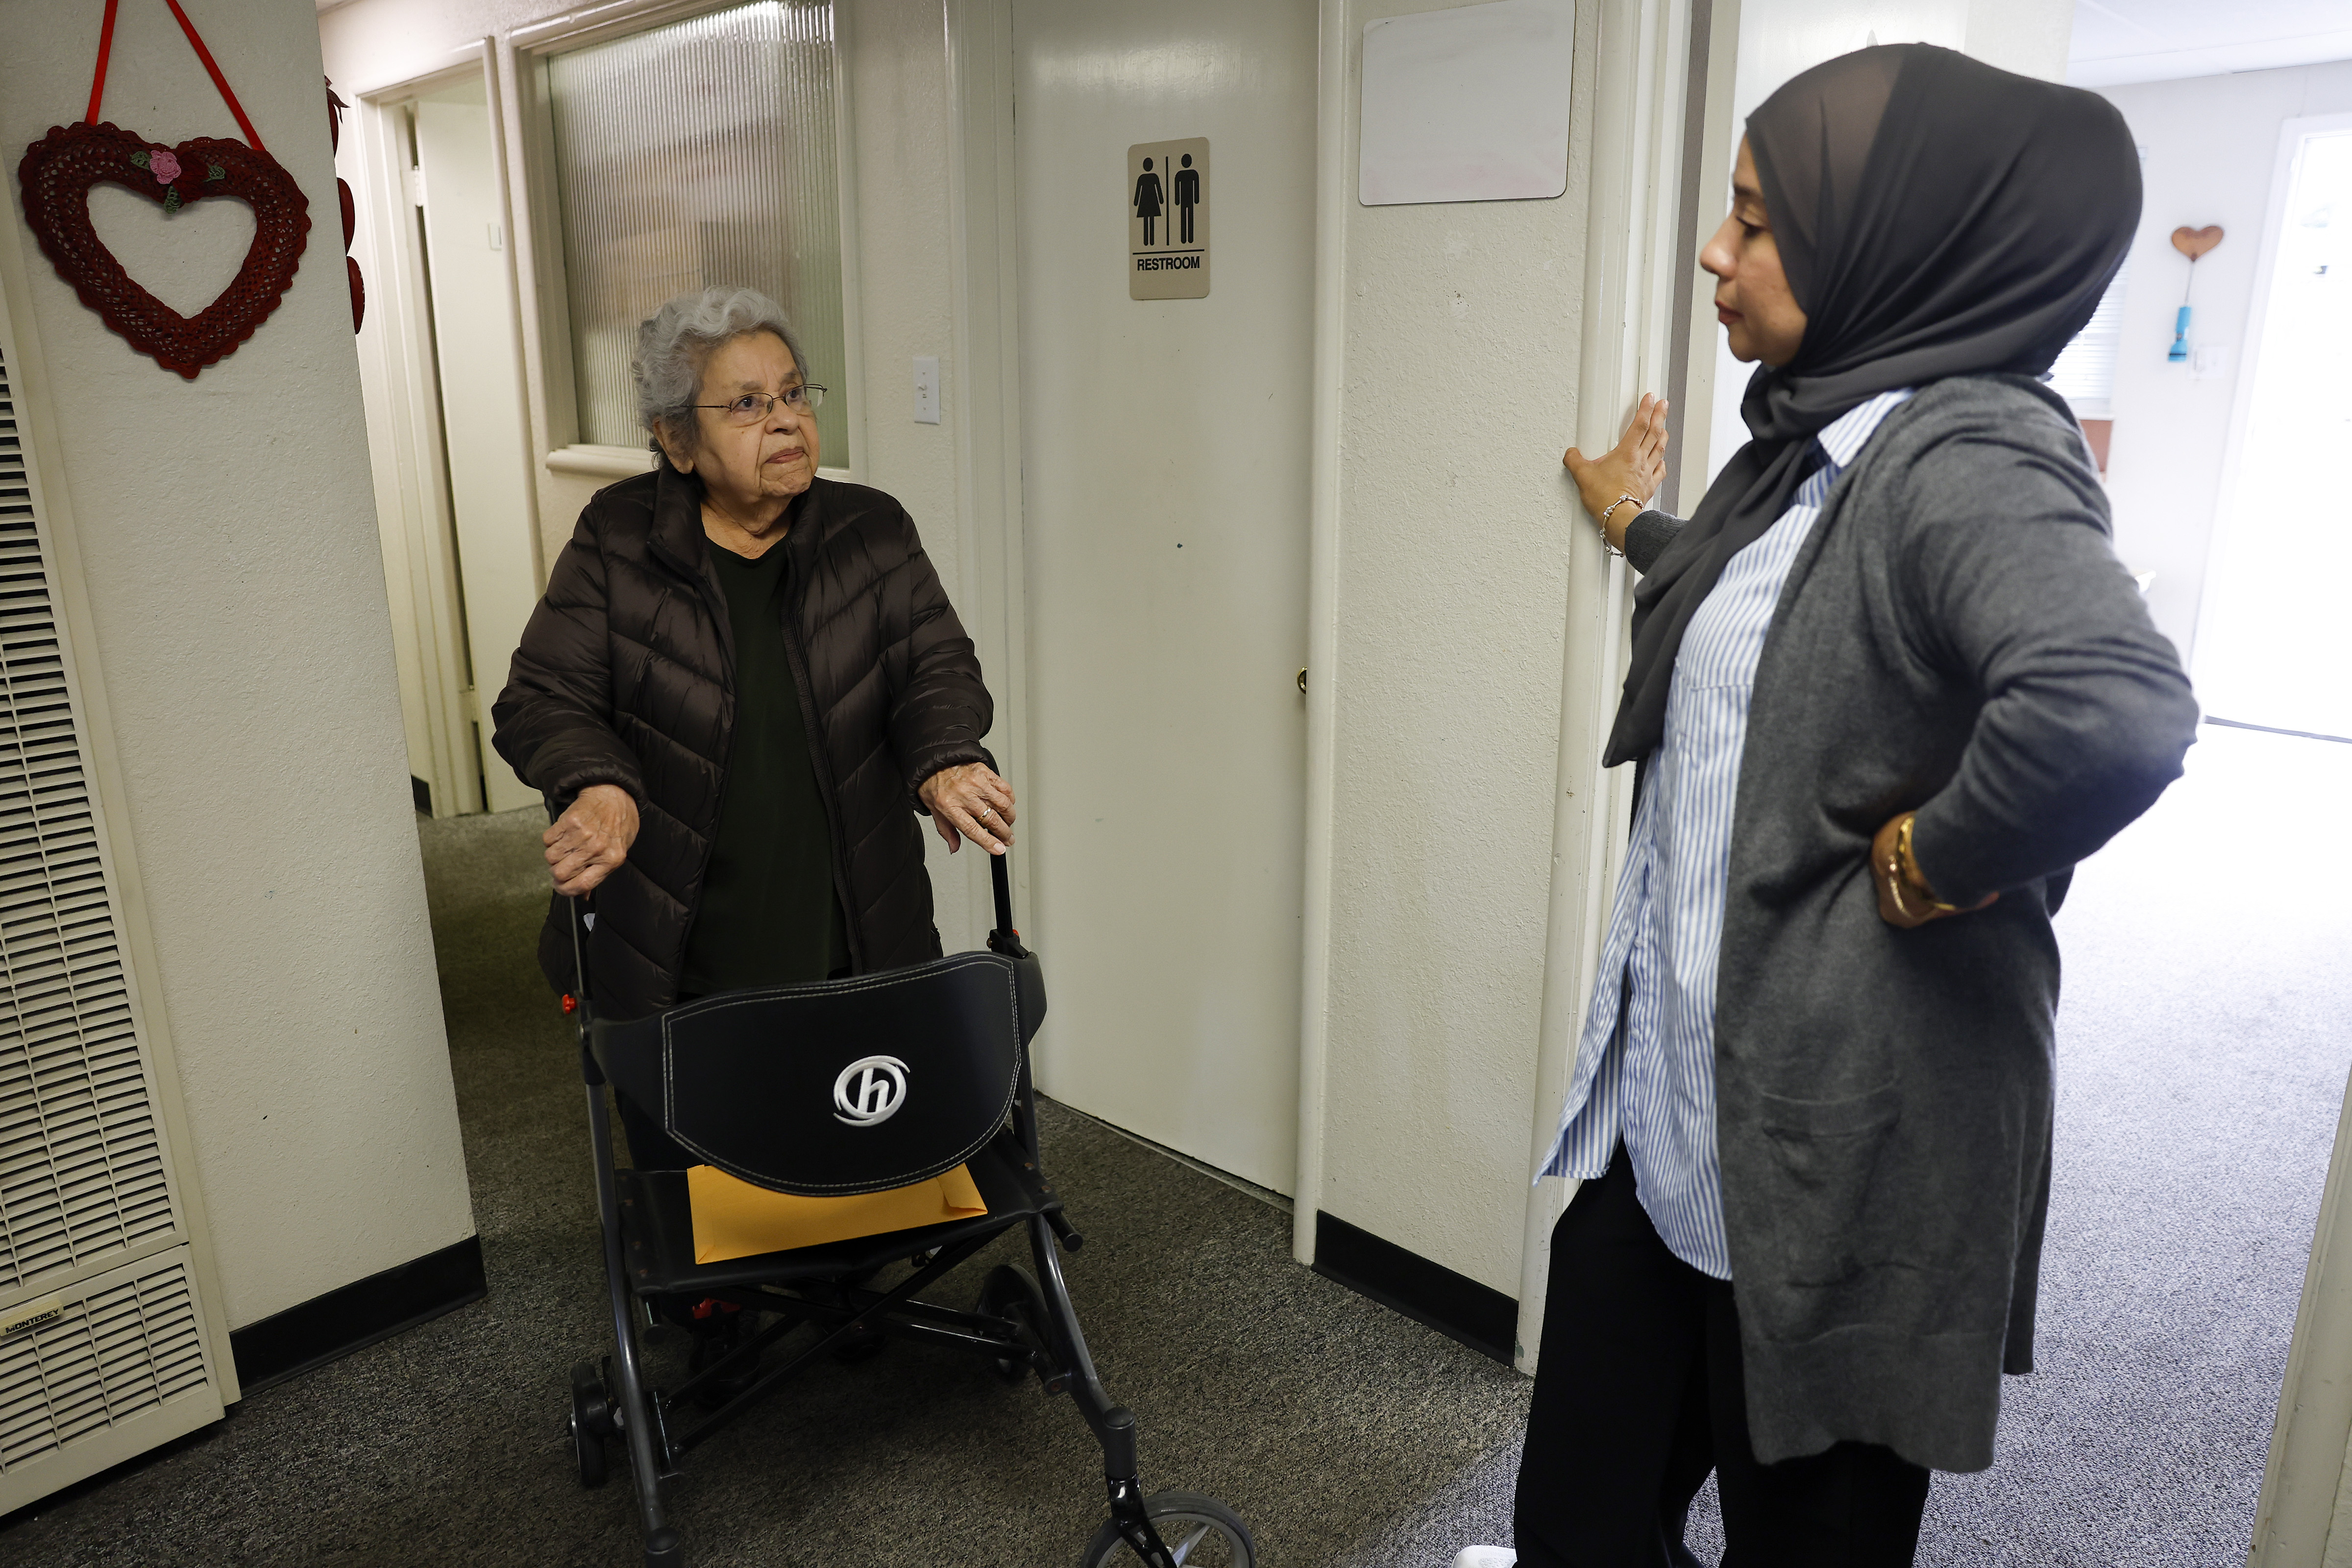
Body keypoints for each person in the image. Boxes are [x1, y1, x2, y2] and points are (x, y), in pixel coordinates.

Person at [1454, 44, 2199, 1568]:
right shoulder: (1807, 446)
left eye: (1756, 219)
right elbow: (1775, 620)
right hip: (1669, 1120)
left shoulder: (1965, 448)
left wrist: (1941, 855)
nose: (1717, 254)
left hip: (1833, 1165)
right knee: (1579, 1528)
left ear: (1891, 241)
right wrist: (1624, 514)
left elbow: (2111, 708)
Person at [492, 286, 1017, 1179]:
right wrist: (600, 782)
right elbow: (542, 696)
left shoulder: (872, 530)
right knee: (711, 1162)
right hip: (678, 932)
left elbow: (938, 668)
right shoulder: (618, 542)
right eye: (745, 403)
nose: (783, 421)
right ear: (674, 439)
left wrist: (945, 755)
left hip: (848, 913)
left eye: (793, 393)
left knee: (861, 1134)